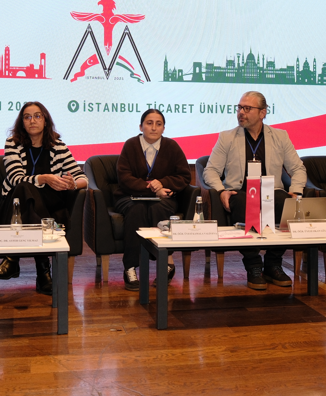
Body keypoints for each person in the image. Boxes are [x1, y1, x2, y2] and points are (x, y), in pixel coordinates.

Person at [203, 91, 307, 291]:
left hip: (271, 191)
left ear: (262, 113)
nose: (241, 112)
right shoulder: (227, 137)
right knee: (243, 201)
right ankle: (253, 266)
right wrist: (222, 190)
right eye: (239, 108)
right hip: (240, 192)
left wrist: (296, 191)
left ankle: (273, 264)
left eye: (247, 108)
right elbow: (211, 171)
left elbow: (297, 169)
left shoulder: (280, 136)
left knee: (285, 202)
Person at [0, 102, 87, 295]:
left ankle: (12, 260)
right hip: (16, 202)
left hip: (49, 203)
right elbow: (16, 178)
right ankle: (43, 273)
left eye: (37, 116)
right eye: (27, 117)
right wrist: (44, 178)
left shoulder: (58, 146)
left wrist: (72, 184)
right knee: (24, 189)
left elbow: (82, 177)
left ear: (45, 120)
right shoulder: (13, 143)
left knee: (29, 195)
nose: (32, 120)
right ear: (22, 122)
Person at [114, 109, 192, 291]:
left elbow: (184, 176)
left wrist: (163, 183)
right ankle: (130, 268)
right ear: (141, 127)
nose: (154, 128)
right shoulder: (131, 145)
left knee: (158, 208)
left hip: (162, 198)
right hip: (129, 196)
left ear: (164, 128)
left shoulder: (172, 146)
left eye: (159, 124)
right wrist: (151, 187)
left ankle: (166, 263)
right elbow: (124, 177)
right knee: (137, 209)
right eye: (149, 123)